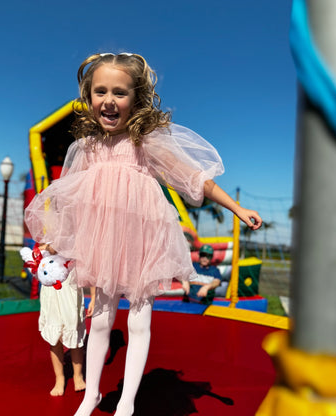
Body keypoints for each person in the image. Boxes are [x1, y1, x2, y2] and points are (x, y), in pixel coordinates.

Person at [25, 52, 262, 416]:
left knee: (139, 319)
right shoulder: (86, 147)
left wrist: (237, 208)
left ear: (136, 99)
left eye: (119, 93)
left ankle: (127, 402)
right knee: (100, 318)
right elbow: (67, 196)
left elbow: (196, 179)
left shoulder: (145, 142)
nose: (108, 100)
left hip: (142, 241)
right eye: (100, 91)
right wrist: (56, 236)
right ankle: (92, 395)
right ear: (88, 97)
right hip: (103, 242)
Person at [38, 244, 95, 397]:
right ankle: (60, 378)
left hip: (69, 288)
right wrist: (45, 248)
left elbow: (89, 267)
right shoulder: (46, 235)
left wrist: (94, 298)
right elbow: (38, 254)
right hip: (51, 288)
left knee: (74, 334)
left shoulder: (75, 238)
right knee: (54, 337)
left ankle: (78, 375)